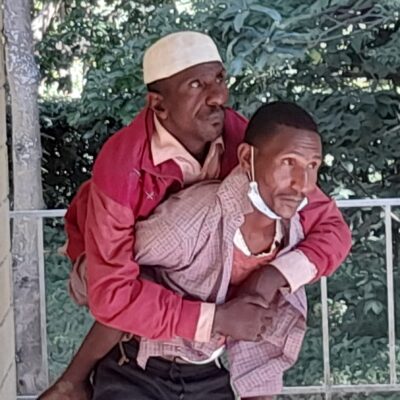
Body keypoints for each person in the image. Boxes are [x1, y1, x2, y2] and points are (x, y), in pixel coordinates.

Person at [39, 32, 351, 399]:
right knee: (143, 279)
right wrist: (218, 319)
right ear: (159, 105)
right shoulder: (123, 165)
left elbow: (332, 229)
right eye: (196, 85)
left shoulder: (242, 142)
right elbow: (112, 294)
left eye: (219, 79)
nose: (218, 96)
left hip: (187, 276)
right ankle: (73, 381)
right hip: (107, 262)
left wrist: (272, 276)